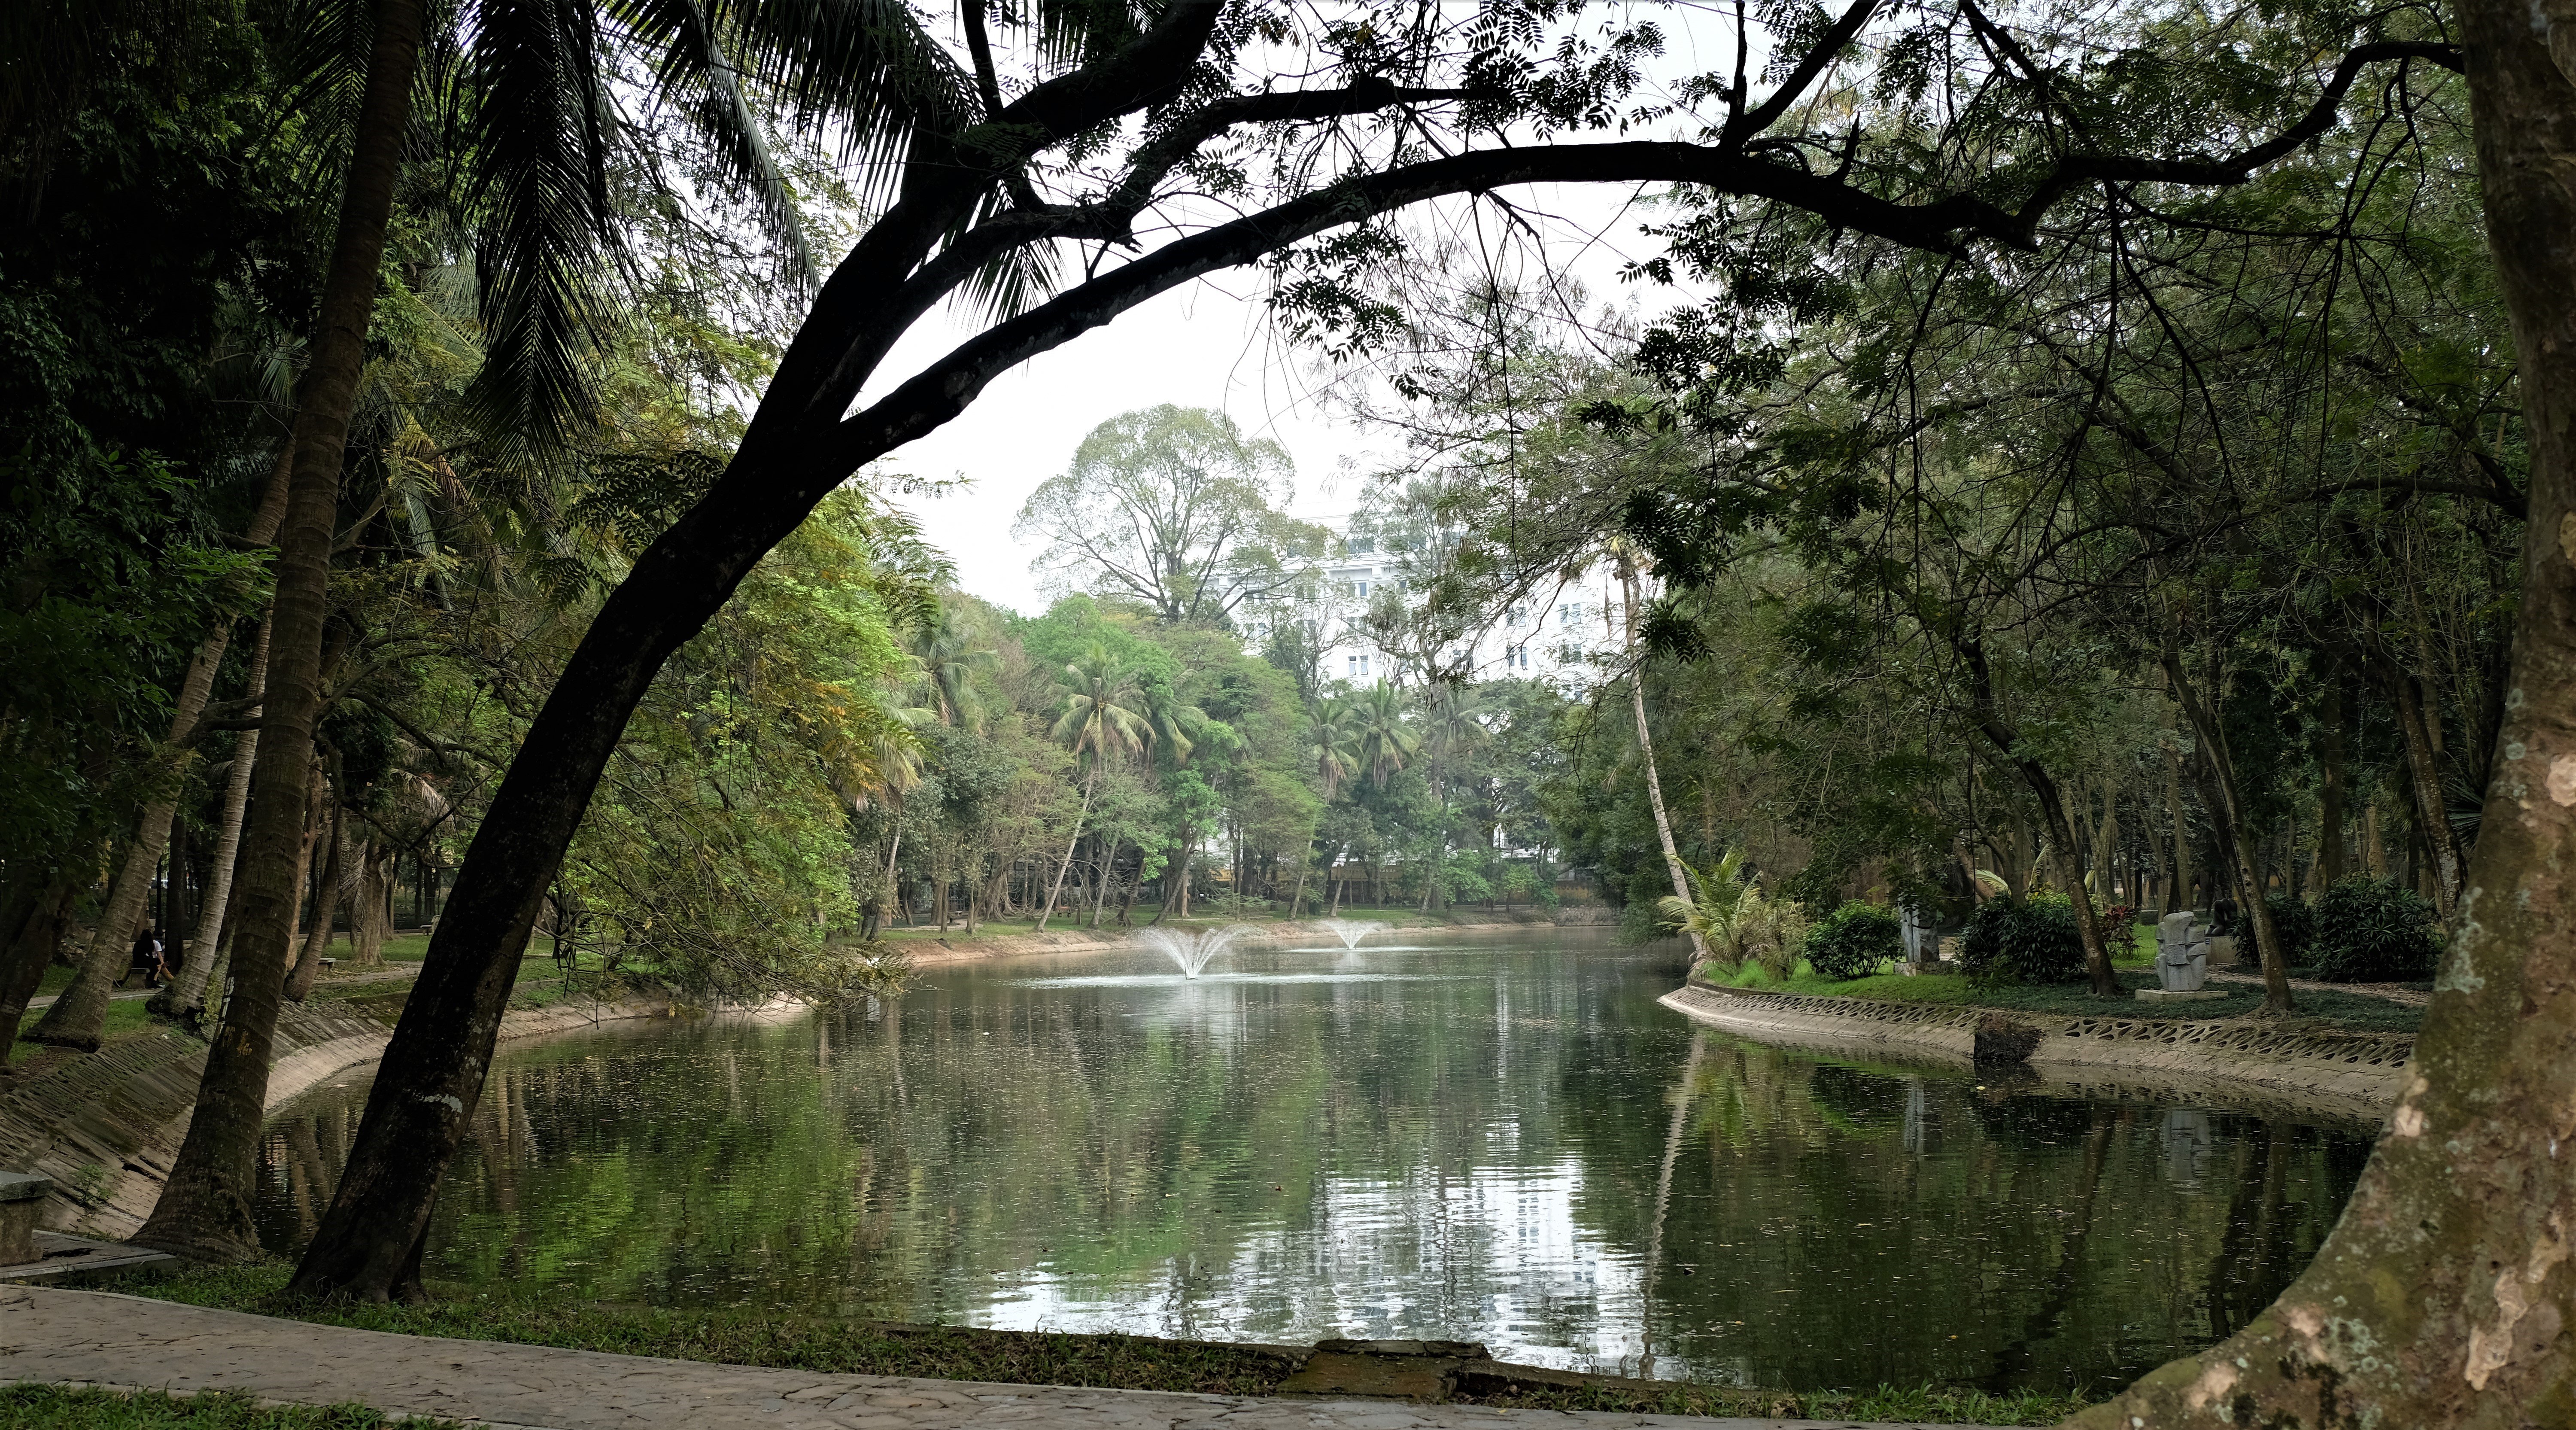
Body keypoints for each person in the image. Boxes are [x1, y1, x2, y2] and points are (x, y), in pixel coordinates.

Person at [119, 924, 168, 989]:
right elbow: (152, 956)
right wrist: (162, 963)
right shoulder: (150, 944)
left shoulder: (138, 943)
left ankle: (121, 982)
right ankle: (155, 980)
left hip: (137, 963)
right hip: (144, 963)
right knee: (158, 963)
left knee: (156, 963)